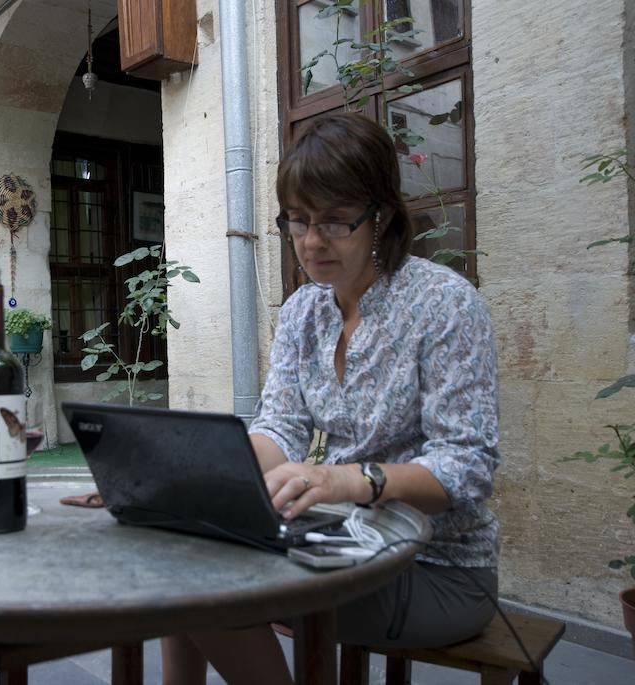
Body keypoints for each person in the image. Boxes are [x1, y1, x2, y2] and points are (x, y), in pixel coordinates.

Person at [162, 112, 501, 685]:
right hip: (338, 548)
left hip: (438, 567)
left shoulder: (444, 304)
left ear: (381, 216)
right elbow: (281, 428)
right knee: (176, 556)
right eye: (297, 221)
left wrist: (350, 480)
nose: (312, 242)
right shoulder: (304, 310)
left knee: (200, 588)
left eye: (336, 222)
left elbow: (467, 466)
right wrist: (189, 481)